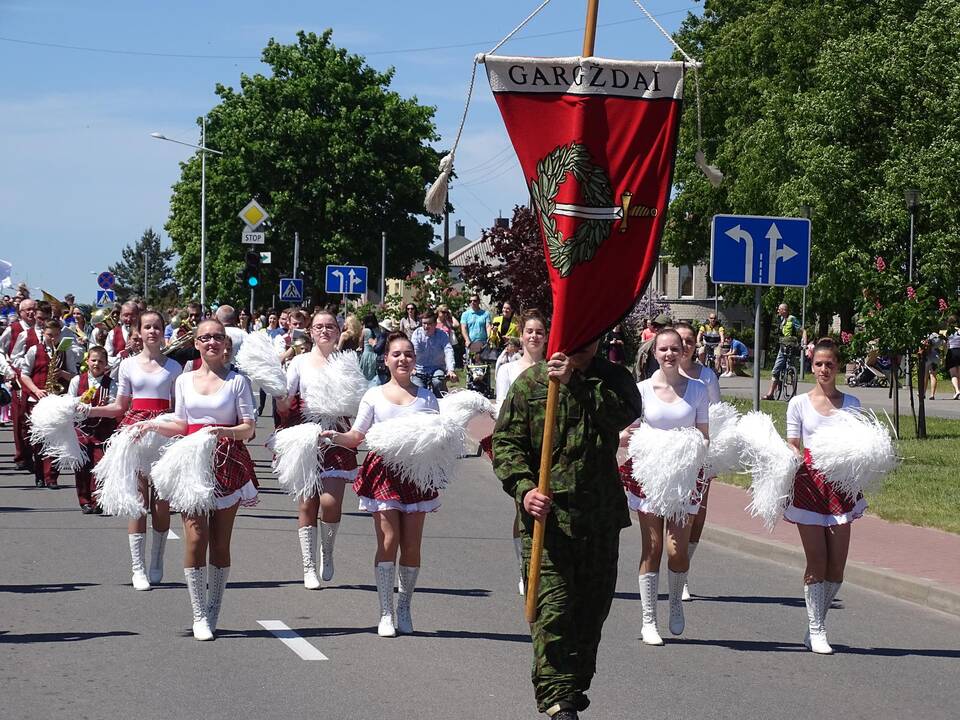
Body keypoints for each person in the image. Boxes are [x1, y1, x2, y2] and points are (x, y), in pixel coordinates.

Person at [494, 338, 642, 720]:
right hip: (549, 523)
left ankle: (572, 691)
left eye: (593, 338)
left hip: (599, 519)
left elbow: (623, 413)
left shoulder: (612, 379)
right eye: (578, 337)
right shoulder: (532, 384)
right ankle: (559, 702)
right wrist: (524, 490)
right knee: (553, 613)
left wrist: (577, 381)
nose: (585, 345)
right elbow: (506, 442)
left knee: (590, 615)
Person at [321, 332, 443, 638]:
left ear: (415, 361)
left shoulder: (427, 397)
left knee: (412, 545)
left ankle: (404, 608)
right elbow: (356, 436)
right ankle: (385, 611)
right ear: (386, 359)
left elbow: (436, 441)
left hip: (415, 475)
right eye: (397, 354)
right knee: (388, 540)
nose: (403, 359)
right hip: (384, 473)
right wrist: (332, 437)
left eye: (409, 354)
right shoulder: (374, 395)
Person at [142, 318, 257, 640]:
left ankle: (213, 610)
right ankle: (198, 613)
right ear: (197, 343)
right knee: (195, 538)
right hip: (191, 463)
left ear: (225, 343)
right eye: (205, 338)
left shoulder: (237, 382)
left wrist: (223, 431)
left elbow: (248, 428)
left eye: (217, 337)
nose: (211, 342)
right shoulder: (183, 380)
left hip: (226, 460)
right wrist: (152, 426)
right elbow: (181, 423)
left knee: (220, 542)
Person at [620, 327, 709, 646]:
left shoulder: (698, 390)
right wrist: (628, 440)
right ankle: (648, 620)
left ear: (684, 351)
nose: (670, 354)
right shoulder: (642, 389)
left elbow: (703, 436)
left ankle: (673, 603)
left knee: (677, 551)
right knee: (653, 547)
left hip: (684, 479)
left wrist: (684, 451)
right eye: (664, 349)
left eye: (676, 348)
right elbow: (630, 432)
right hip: (650, 479)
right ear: (654, 353)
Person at [86, 311, 182, 591]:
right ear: (139, 331)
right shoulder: (127, 365)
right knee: (137, 501)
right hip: (135, 432)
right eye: (147, 327)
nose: (152, 331)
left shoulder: (175, 368)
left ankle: (156, 560)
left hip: (163, 431)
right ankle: (137, 568)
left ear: (164, 331)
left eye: (157, 326)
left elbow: (180, 409)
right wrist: (87, 409)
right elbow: (119, 406)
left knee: (162, 503)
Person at [784, 338, 864, 655]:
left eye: (830, 363)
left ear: (838, 366)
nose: (824, 369)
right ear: (812, 366)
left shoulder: (853, 403)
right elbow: (793, 443)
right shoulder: (798, 404)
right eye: (819, 364)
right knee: (817, 560)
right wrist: (789, 459)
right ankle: (818, 629)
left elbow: (859, 442)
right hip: (809, 483)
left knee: (837, 568)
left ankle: (814, 622)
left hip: (842, 485)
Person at [276, 311, 360, 590]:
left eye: (330, 326)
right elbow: (287, 402)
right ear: (310, 332)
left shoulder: (348, 362)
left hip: (335, 433)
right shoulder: (299, 362)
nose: (324, 331)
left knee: (330, 503)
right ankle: (308, 566)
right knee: (306, 503)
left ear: (338, 331)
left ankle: (327, 550)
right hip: (305, 433)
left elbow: (358, 402)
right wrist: (280, 399)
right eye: (318, 327)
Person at [493, 309, 547, 597]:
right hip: (521, 447)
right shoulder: (508, 370)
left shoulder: (553, 368)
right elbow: (502, 409)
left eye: (539, 332)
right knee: (523, 506)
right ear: (521, 336)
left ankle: (544, 565)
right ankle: (525, 566)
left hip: (549, 448)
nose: (534, 337)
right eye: (530, 332)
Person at [675, 322, 720, 602]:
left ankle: (684, 570)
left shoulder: (707, 377)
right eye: (680, 340)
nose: (685, 345)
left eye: (690, 340)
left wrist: (712, 455)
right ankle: (671, 566)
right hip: (669, 456)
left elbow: (716, 415)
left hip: (699, 454)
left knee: (696, 513)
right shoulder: (662, 371)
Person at [18, 320, 79, 488]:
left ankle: (52, 477)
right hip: (37, 400)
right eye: (49, 335)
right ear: (43, 333)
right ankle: (39, 474)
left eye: (56, 335)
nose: (53, 339)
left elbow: (74, 376)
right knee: (38, 440)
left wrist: (63, 373)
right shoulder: (34, 350)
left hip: (57, 399)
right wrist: (36, 390)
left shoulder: (65, 351)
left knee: (57, 439)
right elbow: (24, 375)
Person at [67, 345, 117, 513]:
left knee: (100, 465)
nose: (96, 364)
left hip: (103, 431)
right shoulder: (77, 380)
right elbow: (69, 403)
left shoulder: (111, 384)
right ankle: (85, 500)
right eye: (93, 360)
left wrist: (106, 405)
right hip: (81, 429)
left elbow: (115, 405)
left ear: (106, 364)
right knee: (81, 466)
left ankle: (98, 500)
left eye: (101, 361)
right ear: (87, 361)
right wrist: (80, 401)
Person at [0, 297, 36, 469]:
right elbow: (1, 349)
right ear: (20, 313)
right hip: (19, 379)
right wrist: (8, 369)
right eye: (27, 310)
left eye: (33, 309)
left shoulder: (42, 329)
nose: (31, 312)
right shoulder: (13, 329)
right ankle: (22, 455)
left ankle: (39, 455)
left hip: (38, 378)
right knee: (19, 417)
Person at [409, 310, 457, 395]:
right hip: (420, 369)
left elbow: (448, 351)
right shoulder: (417, 334)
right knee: (418, 392)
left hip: (437, 368)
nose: (426, 326)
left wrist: (450, 370)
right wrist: (411, 367)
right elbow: (412, 351)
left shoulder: (442, 335)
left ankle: (441, 403)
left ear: (435, 324)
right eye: (424, 323)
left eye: (429, 324)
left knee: (437, 383)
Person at [764, 303, 802, 400]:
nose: (778, 311)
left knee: (792, 372)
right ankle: (770, 394)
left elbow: (802, 331)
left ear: (784, 310)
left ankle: (795, 395)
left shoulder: (792, 319)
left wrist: (804, 343)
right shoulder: (781, 320)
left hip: (791, 347)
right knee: (776, 370)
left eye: (779, 309)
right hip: (782, 347)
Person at [105, 301, 140, 371]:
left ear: (138, 315)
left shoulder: (144, 332)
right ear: (120, 316)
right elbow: (106, 359)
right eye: (126, 315)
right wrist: (120, 356)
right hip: (118, 375)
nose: (129, 319)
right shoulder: (113, 333)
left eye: (132, 315)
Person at [359, 314, 382, 386]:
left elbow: (360, 343)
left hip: (366, 355)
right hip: (375, 355)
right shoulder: (378, 330)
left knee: (364, 375)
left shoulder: (365, 331)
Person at [944, 318, 960, 400]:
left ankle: (957, 390)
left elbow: (946, 344)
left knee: (953, 374)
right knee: (959, 374)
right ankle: (957, 391)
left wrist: (944, 354)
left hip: (952, 352)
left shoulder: (948, 332)